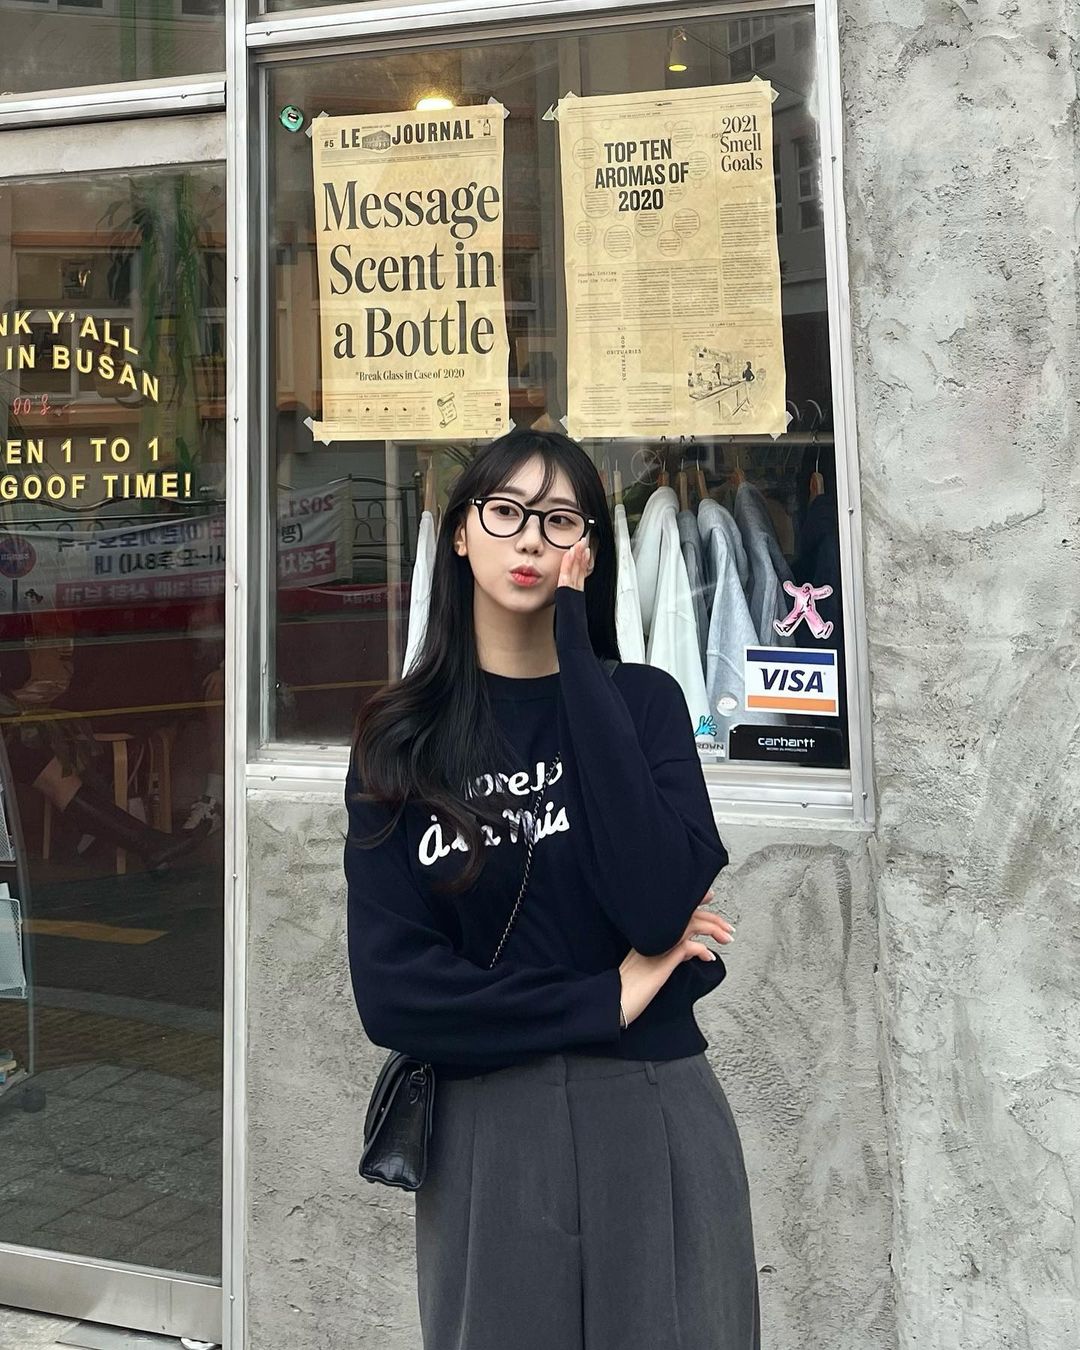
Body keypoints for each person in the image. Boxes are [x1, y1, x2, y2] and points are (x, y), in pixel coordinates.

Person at [344, 428, 760, 1350]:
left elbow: (655, 902)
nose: (531, 538)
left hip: (653, 1109)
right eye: (505, 512)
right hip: (490, 1128)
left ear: (588, 552)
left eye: (559, 519)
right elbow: (395, 993)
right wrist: (602, 997)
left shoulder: (644, 705)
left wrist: (575, 645)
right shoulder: (400, 741)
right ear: (460, 534)